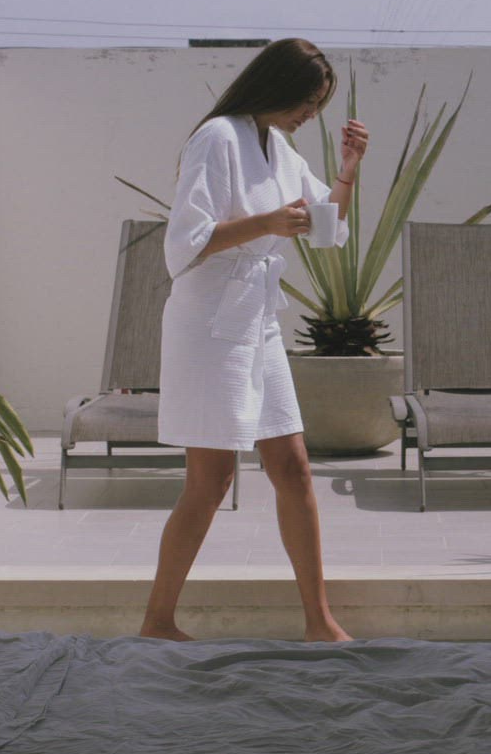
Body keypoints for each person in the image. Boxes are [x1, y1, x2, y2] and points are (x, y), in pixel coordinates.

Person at [144, 38, 368, 644]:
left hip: (257, 320)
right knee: (210, 481)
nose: (310, 114)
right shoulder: (218, 137)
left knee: (293, 469)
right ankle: (157, 622)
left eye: (319, 105)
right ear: (276, 87)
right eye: (306, 101)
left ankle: (319, 622)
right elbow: (184, 244)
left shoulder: (280, 147)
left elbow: (328, 228)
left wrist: (348, 171)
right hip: (209, 324)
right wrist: (267, 224)